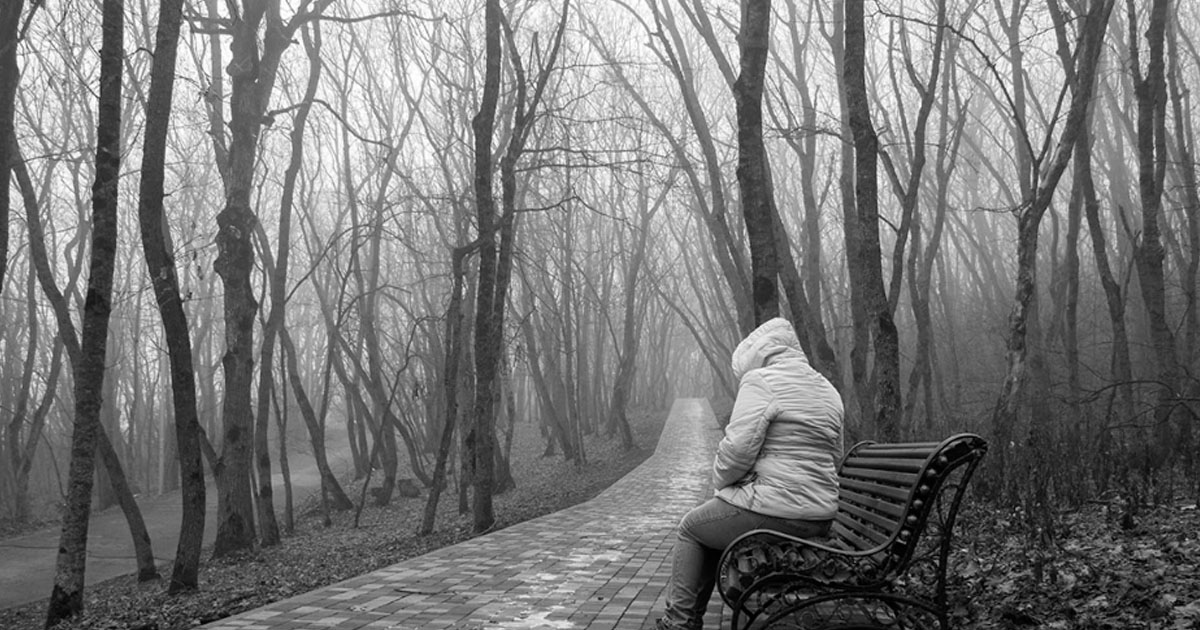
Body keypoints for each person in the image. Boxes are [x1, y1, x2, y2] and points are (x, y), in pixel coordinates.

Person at [655, 317, 844, 630]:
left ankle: (678, 622)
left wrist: (722, 484)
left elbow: (736, 452)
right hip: (821, 515)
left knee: (691, 528)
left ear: (756, 356)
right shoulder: (828, 389)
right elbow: (835, 456)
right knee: (710, 527)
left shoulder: (761, 381)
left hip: (779, 512)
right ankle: (685, 620)